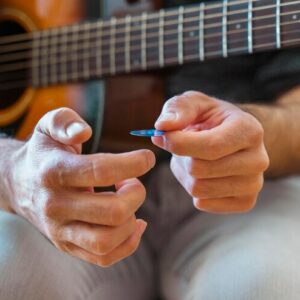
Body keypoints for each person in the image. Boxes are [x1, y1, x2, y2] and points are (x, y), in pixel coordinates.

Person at [2, 1, 300, 299]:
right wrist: (10, 171)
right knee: (9, 265)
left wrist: (254, 133)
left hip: (255, 195)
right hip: (57, 196)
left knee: (261, 287)